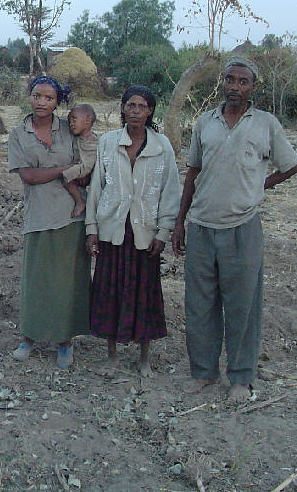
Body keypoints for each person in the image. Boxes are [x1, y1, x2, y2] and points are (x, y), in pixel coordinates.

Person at [171, 56, 297, 403]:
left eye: (243, 81)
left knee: (243, 305)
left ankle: (241, 377)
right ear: (222, 82)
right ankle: (203, 372)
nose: (235, 87)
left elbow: (291, 165)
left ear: (253, 87)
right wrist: (180, 221)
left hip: (243, 227)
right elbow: (193, 172)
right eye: (230, 79)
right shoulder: (205, 122)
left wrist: (260, 186)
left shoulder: (266, 124)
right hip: (202, 226)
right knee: (199, 305)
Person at [85, 85, 180, 377]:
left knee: (144, 294)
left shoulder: (162, 146)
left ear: (150, 111)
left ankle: (144, 359)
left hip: (145, 234)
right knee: (110, 293)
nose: (136, 111)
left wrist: (163, 232)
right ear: (123, 109)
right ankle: (112, 357)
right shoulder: (108, 142)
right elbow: (96, 187)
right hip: (112, 230)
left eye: (142, 106)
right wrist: (91, 228)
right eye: (131, 105)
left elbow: (170, 191)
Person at [8, 76, 91, 369]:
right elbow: (28, 176)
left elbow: (86, 168)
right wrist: (64, 170)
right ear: (29, 97)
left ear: (58, 102)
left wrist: (73, 173)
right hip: (39, 215)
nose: (41, 102)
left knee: (67, 281)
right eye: (37, 96)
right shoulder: (18, 134)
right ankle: (29, 338)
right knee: (36, 280)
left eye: (49, 98)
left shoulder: (69, 129)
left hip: (71, 215)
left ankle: (65, 342)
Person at [63, 104, 99, 218]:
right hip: (78, 169)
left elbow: (88, 165)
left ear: (88, 120)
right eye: (69, 121)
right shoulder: (78, 138)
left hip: (83, 172)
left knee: (67, 179)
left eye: (74, 119)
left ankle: (80, 202)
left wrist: (71, 172)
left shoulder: (93, 143)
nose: (71, 124)